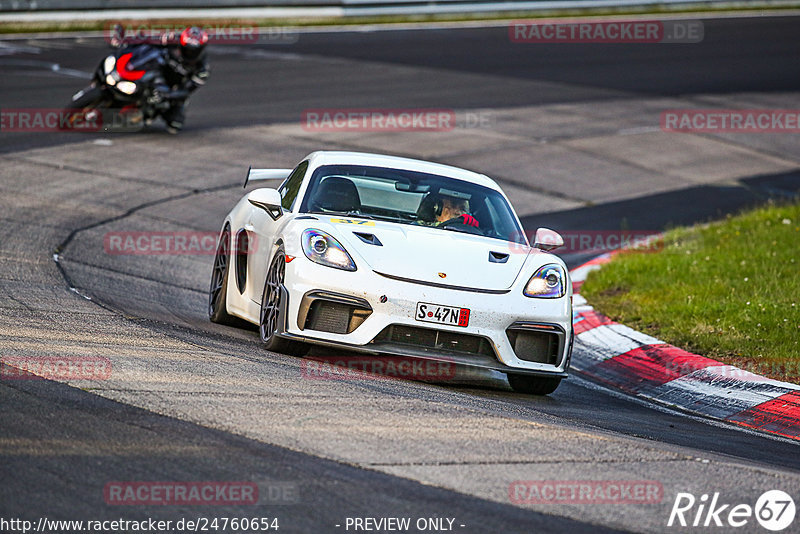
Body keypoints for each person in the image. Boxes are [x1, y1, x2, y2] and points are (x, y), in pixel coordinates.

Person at [158, 27, 210, 134]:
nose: (190, 53)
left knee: (175, 124)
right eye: (187, 49)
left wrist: (167, 94)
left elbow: (187, 90)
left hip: (173, 88)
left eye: (194, 51)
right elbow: (148, 45)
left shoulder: (202, 69)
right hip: (157, 72)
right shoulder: (170, 39)